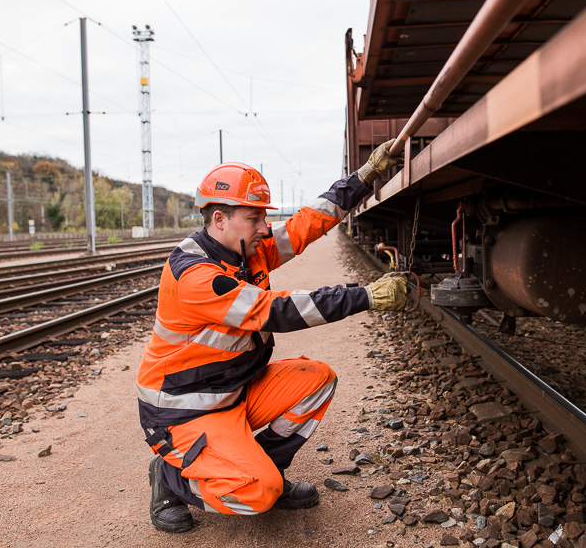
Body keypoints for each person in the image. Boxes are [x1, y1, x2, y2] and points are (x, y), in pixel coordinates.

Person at [136, 139, 408, 533]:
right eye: (255, 218)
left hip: (233, 391)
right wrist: (364, 296)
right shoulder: (195, 276)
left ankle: (263, 469)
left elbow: (308, 222)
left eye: (264, 217)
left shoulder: (248, 247)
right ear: (219, 220)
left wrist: (366, 175)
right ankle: (169, 478)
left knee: (317, 379)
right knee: (257, 495)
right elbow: (277, 310)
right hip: (184, 411)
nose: (265, 227)